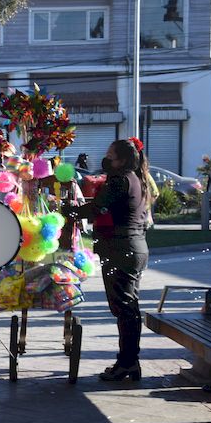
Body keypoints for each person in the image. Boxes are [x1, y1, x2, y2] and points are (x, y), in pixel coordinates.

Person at [68, 138, 149, 382]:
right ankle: (129, 362)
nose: (106, 159)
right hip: (133, 248)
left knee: (124, 309)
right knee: (129, 309)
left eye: (110, 156)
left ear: (122, 160)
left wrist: (65, 211)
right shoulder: (135, 178)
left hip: (120, 249)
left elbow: (97, 208)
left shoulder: (120, 179)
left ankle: (126, 363)